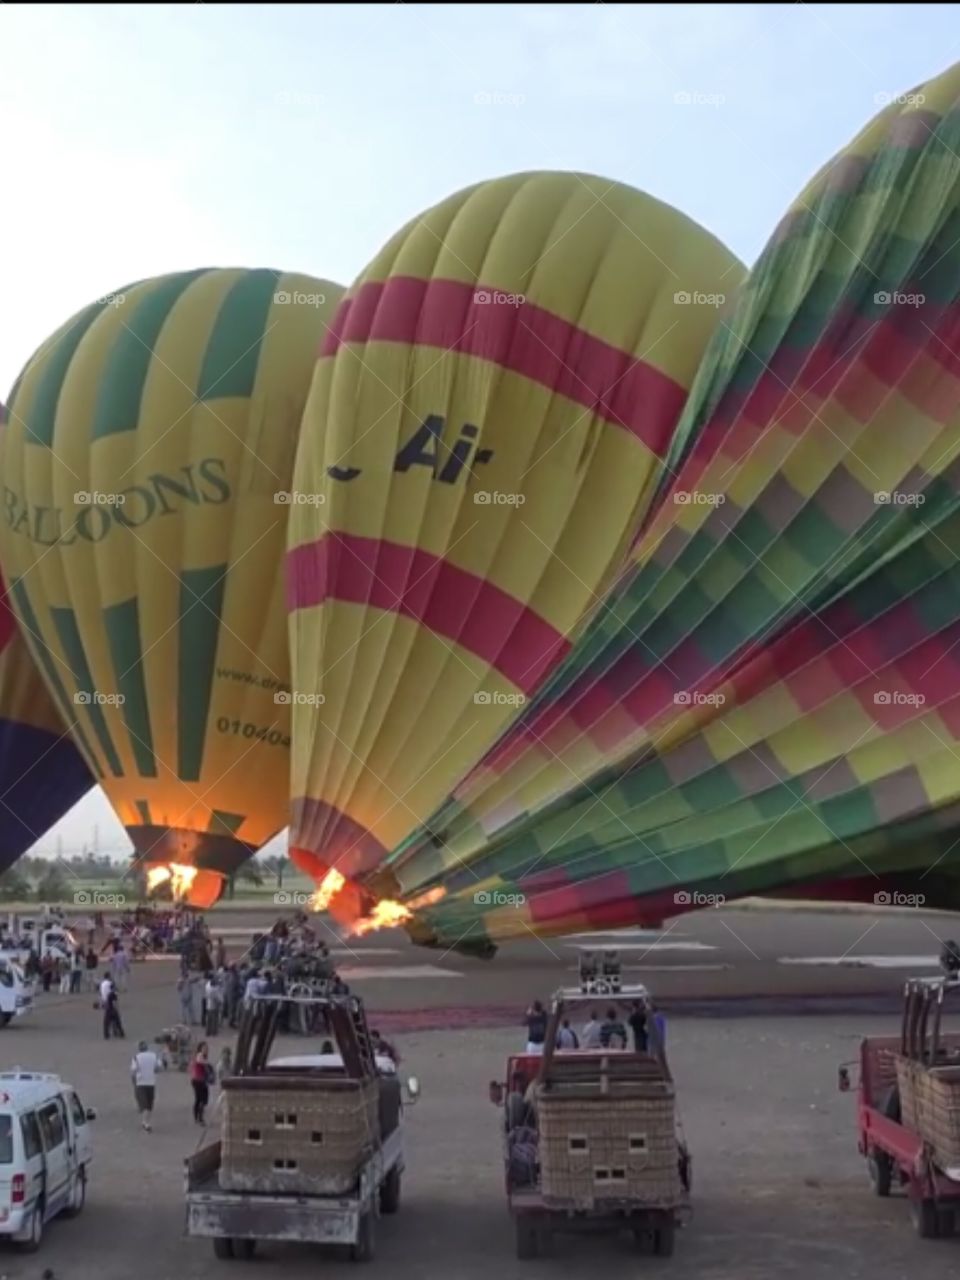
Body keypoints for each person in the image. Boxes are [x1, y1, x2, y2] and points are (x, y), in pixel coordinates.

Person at [131, 1039, 167, 1131]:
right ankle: (146, 1122)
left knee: (144, 1104)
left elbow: (134, 1070)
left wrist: (134, 1081)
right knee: (150, 1104)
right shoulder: (153, 1056)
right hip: (151, 1083)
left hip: (141, 1083)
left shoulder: (136, 1057)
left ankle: (145, 1122)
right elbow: (159, 1068)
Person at [190, 1041, 213, 1124]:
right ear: (200, 1049)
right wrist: (208, 1064)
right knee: (199, 1099)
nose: (206, 1050)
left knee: (204, 1100)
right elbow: (200, 1061)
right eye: (204, 1048)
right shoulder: (199, 1055)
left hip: (202, 1080)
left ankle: (198, 1117)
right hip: (197, 1080)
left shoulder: (204, 1057)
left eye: (207, 1048)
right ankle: (199, 1118)